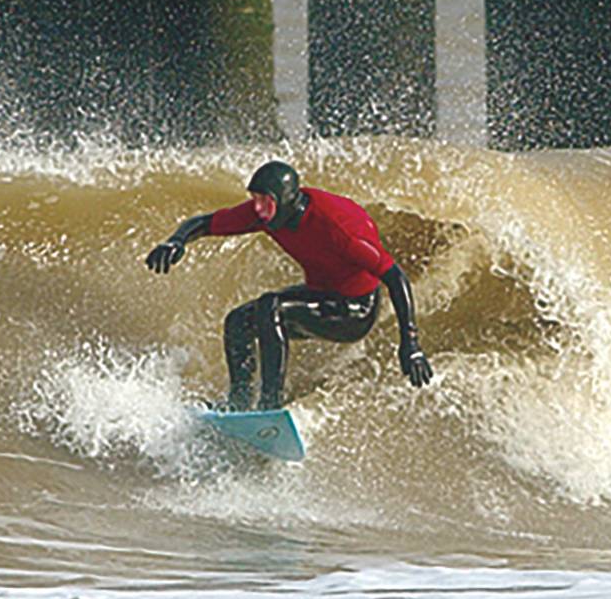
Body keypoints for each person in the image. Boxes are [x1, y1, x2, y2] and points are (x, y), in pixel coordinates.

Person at [145, 160, 433, 411]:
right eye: (254, 199)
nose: (257, 208)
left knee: (271, 306)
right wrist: (176, 240)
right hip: (320, 295)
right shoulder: (268, 214)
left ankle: (270, 404)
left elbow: (395, 278)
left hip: (355, 311)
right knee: (238, 322)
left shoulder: (339, 228)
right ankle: (239, 403)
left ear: (285, 199)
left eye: (264, 200)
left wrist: (411, 344)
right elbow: (206, 223)